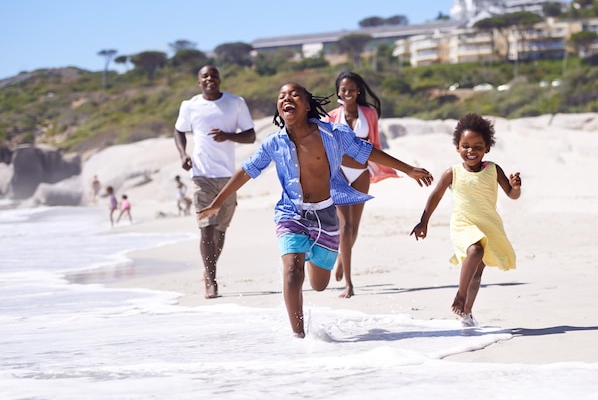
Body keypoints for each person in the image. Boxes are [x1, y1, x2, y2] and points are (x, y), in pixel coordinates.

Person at [197, 82, 433, 337]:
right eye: (282, 96)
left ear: (307, 104)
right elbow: (246, 171)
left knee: (319, 285)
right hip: (291, 213)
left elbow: (367, 152)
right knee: (291, 270)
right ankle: (299, 336)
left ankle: (308, 258)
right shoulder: (273, 143)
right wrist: (218, 201)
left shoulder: (333, 134)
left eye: (294, 94)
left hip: (326, 215)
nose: (287, 98)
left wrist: (408, 169)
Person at [410, 113, 522, 327]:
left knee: (477, 274)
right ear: (458, 147)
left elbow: (512, 195)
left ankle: (467, 313)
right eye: (466, 146)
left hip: (488, 224)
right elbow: (435, 195)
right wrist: (423, 221)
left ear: (487, 148)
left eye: (478, 147)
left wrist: (515, 187)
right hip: (462, 224)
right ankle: (460, 296)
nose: (471, 151)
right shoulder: (452, 172)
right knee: (475, 251)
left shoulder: (493, 170)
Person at [174, 65, 256, 299]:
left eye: (214, 75)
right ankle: (211, 280)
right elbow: (178, 131)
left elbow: (250, 135)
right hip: (201, 176)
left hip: (229, 178)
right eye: (205, 76)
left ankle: (208, 269)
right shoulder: (189, 106)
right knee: (206, 230)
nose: (210, 78)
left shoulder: (235, 102)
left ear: (220, 79)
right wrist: (183, 154)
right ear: (199, 82)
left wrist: (228, 135)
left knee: (220, 230)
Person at [326, 71, 399, 298]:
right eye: (343, 89)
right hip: (338, 174)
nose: (347, 93)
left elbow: (374, 143)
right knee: (344, 227)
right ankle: (349, 284)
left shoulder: (369, 114)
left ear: (358, 91)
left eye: (351, 89)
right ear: (338, 91)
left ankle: (342, 257)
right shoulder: (330, 117)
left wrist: (381, 165)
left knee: (354, 228)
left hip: (361, 172)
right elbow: (328, 148)